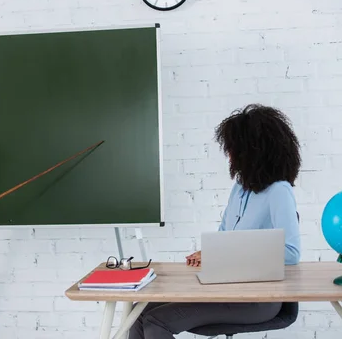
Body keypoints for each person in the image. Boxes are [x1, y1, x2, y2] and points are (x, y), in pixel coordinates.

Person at [129, 104, 302, 339]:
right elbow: (224, 237)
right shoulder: (240, 189)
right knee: (137, 311)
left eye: (233, 148)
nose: (229, 155)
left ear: (253, 151)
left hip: (258, 300)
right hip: (224, 286)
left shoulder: (278, 192)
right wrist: (210, 252)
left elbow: (291, 254)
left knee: (157, 322)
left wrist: (230, 252)